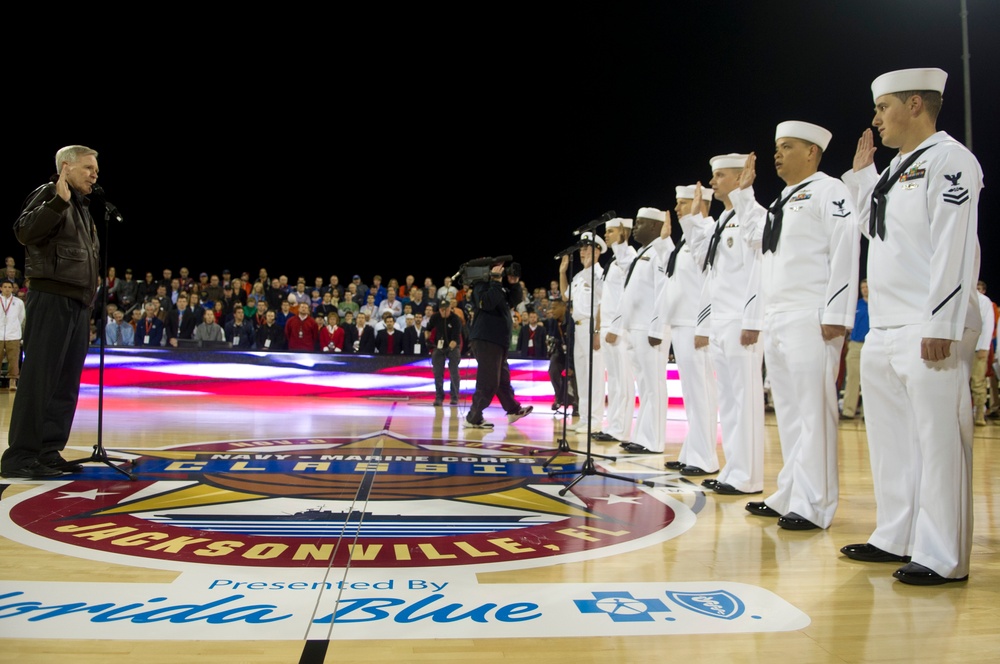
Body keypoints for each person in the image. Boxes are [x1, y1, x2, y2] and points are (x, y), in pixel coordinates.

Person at [840, 67, 982, 585]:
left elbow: (954, 243)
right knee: (892, 439)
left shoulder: (950, 160)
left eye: (883, 108)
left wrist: (942, 319)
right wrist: (861, 175)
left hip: (928, 322)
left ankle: (944, 556)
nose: (876, 119)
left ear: (916, 104)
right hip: (885, 325)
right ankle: (896, 535)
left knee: (939, 442)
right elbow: (873, 231)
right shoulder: (893, 170)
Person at [733, 121, 861, 531]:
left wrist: (838, 313)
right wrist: (744, 193)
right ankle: (790, 491)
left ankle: (816, 504)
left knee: (813, 413)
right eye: (776, 147)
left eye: (787, 146)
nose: (777, 153)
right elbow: (757, 240)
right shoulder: (782, 200)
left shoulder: (830, 190)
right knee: (788, 412)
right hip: (779, 315)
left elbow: (846, 243)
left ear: (812, 152)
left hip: (812, 314)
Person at [1, 145, 101, 479]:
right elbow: (24, 231)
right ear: (66, 167)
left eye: (95, 169)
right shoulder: (50, 194)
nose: (94, 173)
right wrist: (57, 201)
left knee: (64, 382)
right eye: (87, 167)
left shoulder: (82, 207)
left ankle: (48, 449)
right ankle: (20, 456)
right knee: (39, 379)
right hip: (51, 298)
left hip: (77, 303)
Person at [678, 153, 765, 495]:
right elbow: (704, 262)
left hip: (741, 321)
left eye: (720, 176)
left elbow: (760, 263)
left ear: (741, 176)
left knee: (745, 400)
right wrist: (695, 220)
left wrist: (753, 319)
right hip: (721, 321)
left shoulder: (753, 214)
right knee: (729, 401)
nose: (712, 183)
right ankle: (734, 469)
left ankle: (748, 476)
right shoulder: (724, 219)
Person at [661, 187, 719, 476]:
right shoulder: (687, 239)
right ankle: (692, 451)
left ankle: (705, 457)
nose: (678, 207)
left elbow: (709, 283)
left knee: (702, 392)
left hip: (696, 325)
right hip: (682, 323)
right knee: (691, 394)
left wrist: (703, 326)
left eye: (683, 203)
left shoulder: (707, 232)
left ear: (700, 203)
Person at [606, 209, 669, 455]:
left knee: (654, 385)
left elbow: (663, 290)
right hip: (635, 327)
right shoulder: (643, 253)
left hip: (649, 328)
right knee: (645, 386)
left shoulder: (659, 254)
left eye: (641, 223)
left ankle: (654, 441)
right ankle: (643, 436)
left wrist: (657, 327)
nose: (636, 227)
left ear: (655, 227)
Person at [464, 262, 533, 429]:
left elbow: (514, 300)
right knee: (488, 382)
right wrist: (495, 281)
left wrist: (514, 282)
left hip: (499, 341)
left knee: (502, 379)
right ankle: (473, 417)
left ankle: (513, 410)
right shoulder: (481, 286)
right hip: (486, 339)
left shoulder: (499, 288)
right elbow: (486, 303)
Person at [559, 231, 607, 436]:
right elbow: (564, 296)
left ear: (597, 251)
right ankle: (585, 418)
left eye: (587, 248)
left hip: (591, 326)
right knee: (582, 375)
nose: (582, 252)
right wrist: (562, 272)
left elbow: (604, 303)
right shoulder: (579, 276)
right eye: (581, 248)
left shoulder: (600, 274)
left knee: (594, 375)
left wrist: (597, 330)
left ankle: (595, 421)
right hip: (577, 327)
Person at [597, 218, 635, 444]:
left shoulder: (628, 256)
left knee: (623, 381)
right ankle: (612, 426)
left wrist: (616, 327)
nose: (606, 235)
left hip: (618, 329)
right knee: (613, 381)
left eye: (610, 231)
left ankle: (621, 429)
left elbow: (627, 296)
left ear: (622, 232)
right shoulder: (612, 261)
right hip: (608, 326)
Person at [841, 279, 869, 420]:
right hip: (855, 345)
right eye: (862, 287)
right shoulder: (856, 305)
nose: (864, 289)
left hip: (870, 345)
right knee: (852, 378)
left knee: (869, 380)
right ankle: (848, 410)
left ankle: (867, 413)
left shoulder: (876, 304)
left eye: (867, 287)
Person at [427, 298, 463, 406]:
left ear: (450, 309)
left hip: (452, 346)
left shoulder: (455, 319)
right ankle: (439, 396)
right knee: (437, 372)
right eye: (441, 310)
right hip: (439, 346)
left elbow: (456, 338)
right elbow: (428, 328)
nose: (443, 312)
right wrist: (427, 338)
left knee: (454, 372)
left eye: (446, 310)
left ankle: (454, 396)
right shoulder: (435, 317)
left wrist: (451, 346)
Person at [546, 297, 578, 414]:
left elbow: (572, 344)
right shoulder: (553, 322)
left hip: (574, 353)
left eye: (554, 308)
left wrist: (569, 365)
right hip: (560, 352)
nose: (552, 310)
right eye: (551, 308)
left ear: (563, 307)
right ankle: (561, 397)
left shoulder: (572, 322)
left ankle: (576, 403)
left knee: (574, 376)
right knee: (553, 369)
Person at [0, 279, 26, 391]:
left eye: (9, 287)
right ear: (1, 288)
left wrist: (14, 327)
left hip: (13, 335)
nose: (7, 289)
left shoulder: (18, 302)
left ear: (12, 289)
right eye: (5, 287)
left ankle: (13, 381)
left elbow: (21, 317)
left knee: (13, 359)